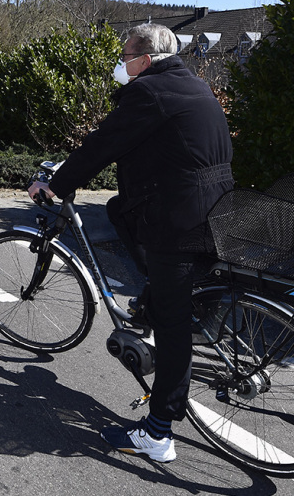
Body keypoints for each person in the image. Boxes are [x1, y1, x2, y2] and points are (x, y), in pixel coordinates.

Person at [28, 23, 233, 463]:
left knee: (173, 327)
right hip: (215, 209)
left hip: (178, 221)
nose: (122, 65)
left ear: (144, 60)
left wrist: (56, 185)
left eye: (126, 58)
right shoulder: (192, 85)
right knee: (120, 209)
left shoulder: (149, 92)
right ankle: (154, 295)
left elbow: (103, 144)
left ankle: (158, 434)